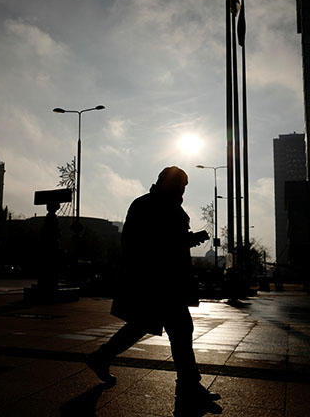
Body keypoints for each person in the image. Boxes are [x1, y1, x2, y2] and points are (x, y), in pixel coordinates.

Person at [86, 166, 217, 410]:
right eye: (180, 186)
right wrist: (185, 240)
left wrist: (186, 240)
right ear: (167, 183)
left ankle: (101, 356)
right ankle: (189, 386)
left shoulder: (163, 205)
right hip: (158, 282)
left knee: (145, 327)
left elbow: (165, 241)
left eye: (184, 188)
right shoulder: (149, 205)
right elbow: (147, 243)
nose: (183, 192)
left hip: (164, 282)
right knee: (179, 330)